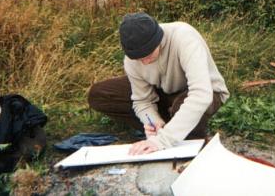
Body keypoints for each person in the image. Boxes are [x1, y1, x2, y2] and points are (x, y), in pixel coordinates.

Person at [88, 13, 229, 155]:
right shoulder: (133, 59)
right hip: (164, 93)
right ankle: (166, 125)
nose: (145, 62)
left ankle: (185, 135)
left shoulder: (184, 37)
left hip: (208, 93)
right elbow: (142, 100)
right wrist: (152, 120)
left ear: (158, 40)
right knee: (100, 94)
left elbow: (201, 94)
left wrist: (162, 141)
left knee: (182, 105)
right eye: (138, 58)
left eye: (148, 55)